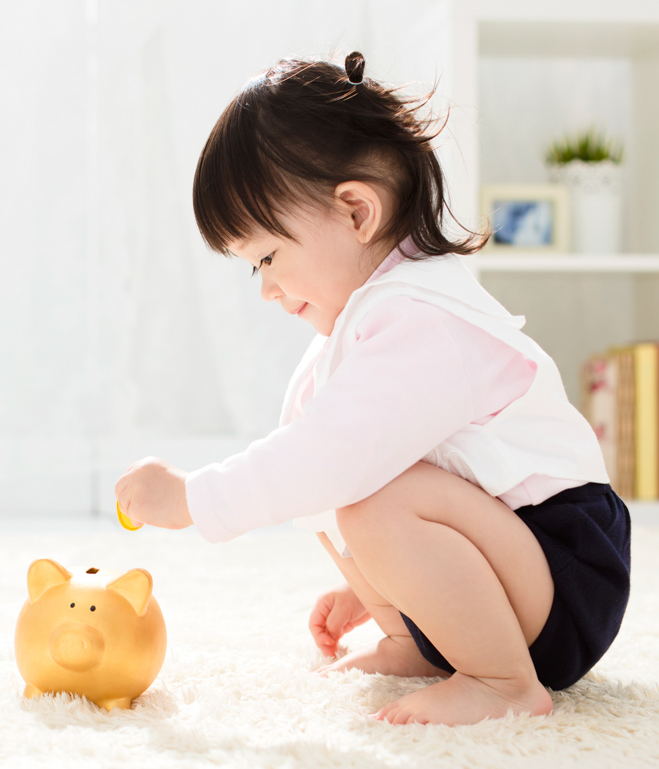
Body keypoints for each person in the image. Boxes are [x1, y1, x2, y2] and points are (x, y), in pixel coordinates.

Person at [114, 52, 631, 726]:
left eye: (268, 257)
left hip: (567, 566)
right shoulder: (373, 320)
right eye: (253, 270)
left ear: (357, 211)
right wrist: (388, 585)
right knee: (343, 502)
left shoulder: (424, 317)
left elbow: (328, 456)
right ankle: (422, 640)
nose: (267, 288)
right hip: (519, 557)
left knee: (363, 495)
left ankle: (502, 680)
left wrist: (194, 497)